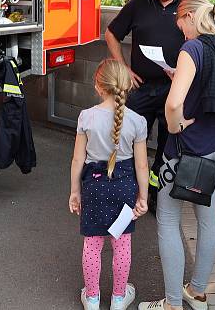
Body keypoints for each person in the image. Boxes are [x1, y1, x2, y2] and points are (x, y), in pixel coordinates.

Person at [139, 0, 215, 310]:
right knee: (207, 218)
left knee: (169, 220)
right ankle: (198, 293)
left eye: (178, 21)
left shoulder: (192, 48)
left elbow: (173, 105)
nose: (178, 28)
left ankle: (171, 304)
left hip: (185, 150)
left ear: (187, 16)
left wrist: (174, 127)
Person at [104, 0, 186, 208]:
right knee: (127, 139)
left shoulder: (187, 6)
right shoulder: (138, 5)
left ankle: (155, 192)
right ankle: (125, 189)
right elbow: (111, 33)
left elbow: (204, 38)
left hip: (173, 90)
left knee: (167, 144)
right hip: (141, 89)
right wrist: (124, 68)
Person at [69, 59, 150, 310]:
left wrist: (74, 191)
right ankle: (118, 298)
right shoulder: (137, 121)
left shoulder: (86, 117)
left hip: (94, 187)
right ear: (126, 86)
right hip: (124, 188)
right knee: (122, 243)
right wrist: (143, 197)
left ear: (98, 86)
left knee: (92, 244)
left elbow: (77, 159)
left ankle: (92, 298)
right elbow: (141, 166)